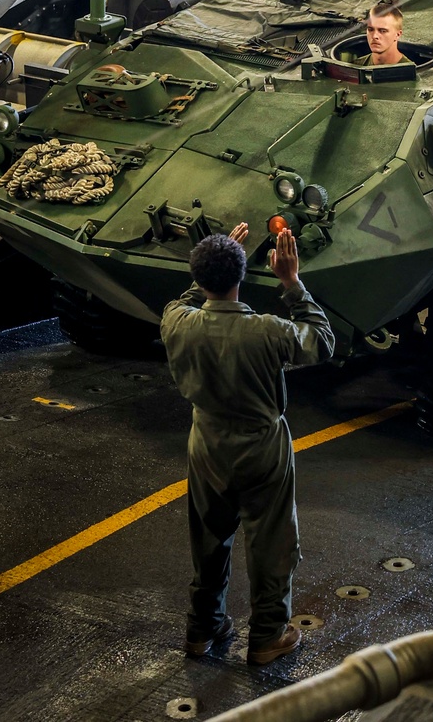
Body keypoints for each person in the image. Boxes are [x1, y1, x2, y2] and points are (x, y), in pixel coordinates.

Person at [161, 224, 334, 665]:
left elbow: (184, 300)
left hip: (206, 445)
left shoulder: (177, 324)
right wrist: (292, 282)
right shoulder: (270, 331)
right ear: (241, 275)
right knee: (271, 545)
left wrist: (216, 261)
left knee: (208, 540)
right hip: (262, 447)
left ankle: (202, 628)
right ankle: (267, 637)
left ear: (199, 280)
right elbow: (321, 341)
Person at [354, 0, 412, 67]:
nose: (374, 36)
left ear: (397, 34)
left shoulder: (410, 73)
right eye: (370, 30)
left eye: (383, 31)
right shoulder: (355, 67)